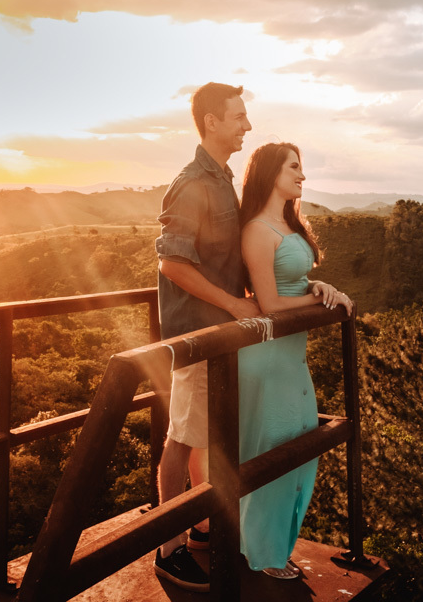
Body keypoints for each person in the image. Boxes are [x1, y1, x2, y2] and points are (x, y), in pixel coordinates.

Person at [153, 82, 260, 592]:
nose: (247, 126)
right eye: (238, 117)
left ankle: (199, 529)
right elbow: (173, 262)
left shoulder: (222, 178)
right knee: (181, 437)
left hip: (219, 331)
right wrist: (235, 304)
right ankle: (167, 547)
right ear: (211, 122)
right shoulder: (192, 182)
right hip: (198, 331)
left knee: (205, 434)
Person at [237, 142, 352, 580]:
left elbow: (296, 281)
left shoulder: (287, 224)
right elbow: (267, 302)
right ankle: (263, 555)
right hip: (266, 360)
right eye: (294, 167)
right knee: (272, 453)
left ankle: (268, 547)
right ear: (271, 172)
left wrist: (320, 285)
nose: (302, 176)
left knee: (302, 447)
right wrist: (317, 300)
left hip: (291, 358)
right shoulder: (256, 230)